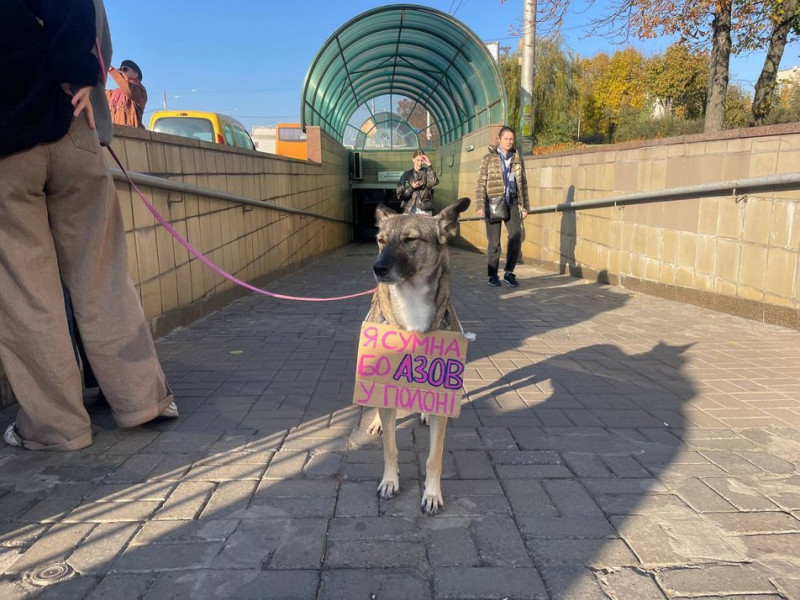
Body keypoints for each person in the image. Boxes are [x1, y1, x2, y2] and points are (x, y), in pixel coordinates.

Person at [1, 0, 177, 451]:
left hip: (7, 149)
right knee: (102, 275)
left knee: (27, 294)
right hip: (74, 123)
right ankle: (144, 400)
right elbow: (95, 32)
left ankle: (57, 427)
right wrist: (82, 78)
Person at [475, 126, 530, 287]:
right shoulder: (488, 158)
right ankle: (492, 275)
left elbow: (523, 183)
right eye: (506, 138)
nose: (509, 141)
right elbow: (480, 182)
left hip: (511, 202)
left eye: (511, 139)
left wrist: (525, 206)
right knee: (494, 242)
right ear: (499, 139)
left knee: (516, 235)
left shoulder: (517, 158)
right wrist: (479, 204)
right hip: (493, 202)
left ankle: (509, 272)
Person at [106, 58, 147, 128]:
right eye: (119, 70)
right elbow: (98, 93)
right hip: (114, 133)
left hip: (132, 135)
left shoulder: (139, 90)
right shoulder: (113, 93)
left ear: (135, 74)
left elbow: (128, 89)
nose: (121, 71)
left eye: (125, 69)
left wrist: (110, 69)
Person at [396, 150, 439, 215]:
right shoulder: (407, 174)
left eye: (422, 160)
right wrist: (412, 188)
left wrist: (429, 165)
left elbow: (433, 183)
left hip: (425, 208)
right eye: (418, 160)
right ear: (413, 159)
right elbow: (400, 195)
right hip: (409, 209)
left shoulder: (428, 171)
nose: (420, 163)